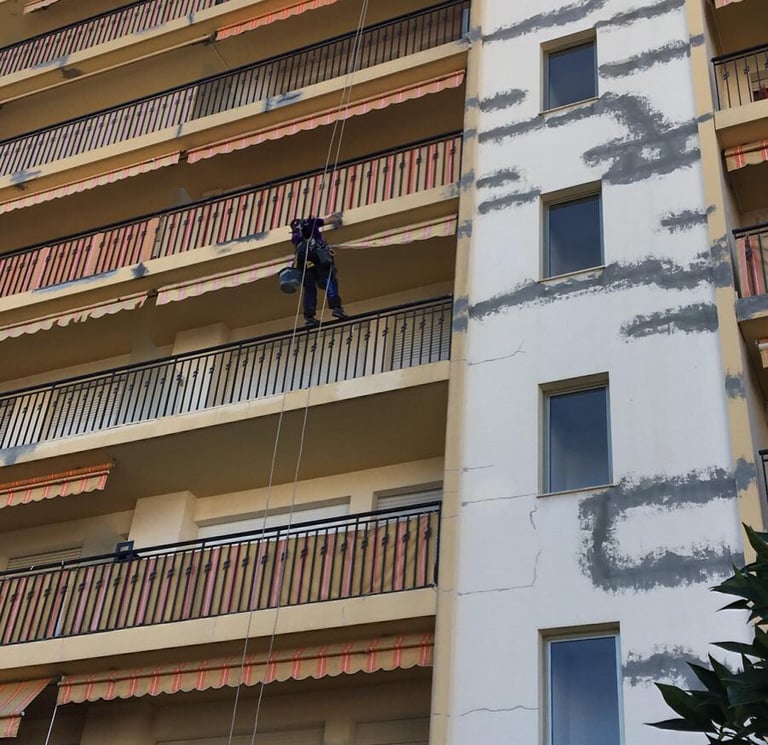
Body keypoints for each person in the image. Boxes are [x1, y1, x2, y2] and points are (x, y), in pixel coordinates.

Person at [289, 213, 347, 327]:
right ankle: (336, 308)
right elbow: (328, 221)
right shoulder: (311, 222)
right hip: (318, 257)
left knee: (310, 290)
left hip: (304, 264)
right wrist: (337, 218)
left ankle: (309, 317)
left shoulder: (295, 238)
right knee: (329, 280)